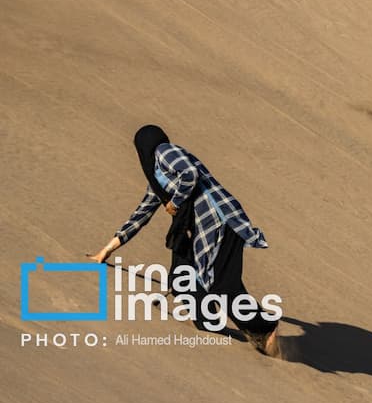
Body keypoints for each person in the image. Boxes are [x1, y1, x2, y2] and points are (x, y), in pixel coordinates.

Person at [88, 125, 280, 357]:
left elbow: (190, 173)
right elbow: (140, 216)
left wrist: (176, 202)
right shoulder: (157, 182)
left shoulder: (165, 151)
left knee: (223, 285)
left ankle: (264, 328)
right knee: (182, 278)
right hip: (200, 232)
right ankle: (209, 323)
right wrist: (107, 250)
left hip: (220, 221)